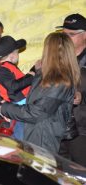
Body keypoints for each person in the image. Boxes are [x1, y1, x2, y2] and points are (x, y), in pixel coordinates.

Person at [0, 32, 80, 153]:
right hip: (33, 136)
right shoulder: (45, 75)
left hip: (41, 142)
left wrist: (5, 108)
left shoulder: (60, 80)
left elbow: (37, 112)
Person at [0, 36, 34, 139]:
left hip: (17, 110)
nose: (18, 55)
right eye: (17, 52)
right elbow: (13, 87)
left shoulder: (1, 69)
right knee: (21, 143)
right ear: (12, 56)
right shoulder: (2, 69)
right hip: (18, 111)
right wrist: (31, 76)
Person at [56, 13, 86, 166]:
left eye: (71, 34)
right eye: (63, 34)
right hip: (56, 126)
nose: (66, 38)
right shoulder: (54, 55)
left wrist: (83, 97)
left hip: (82, 130)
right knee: (58, 173)